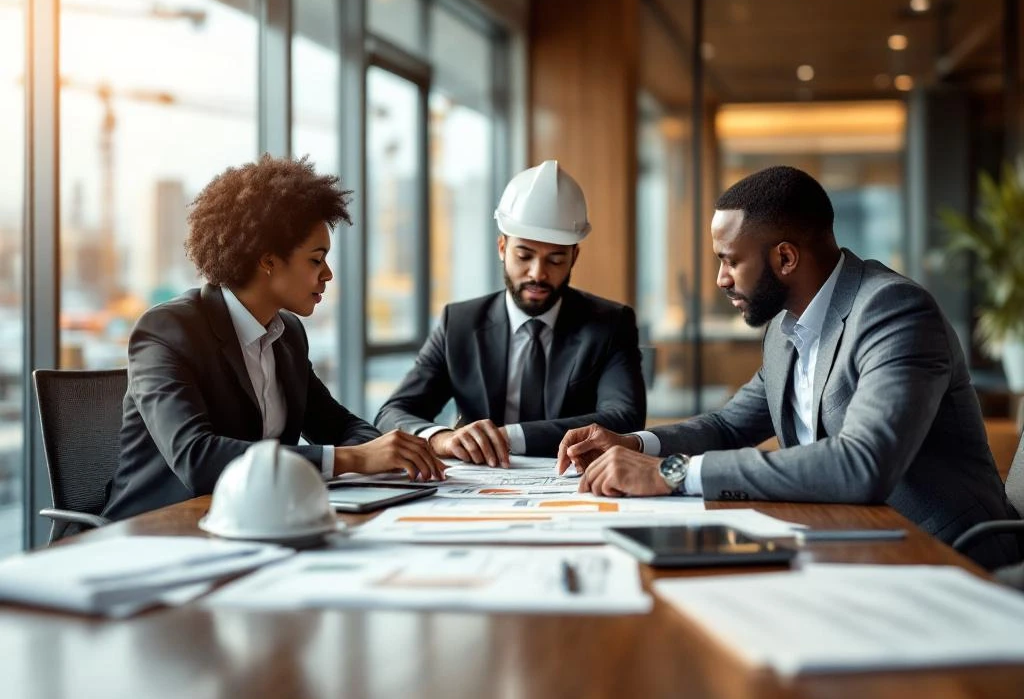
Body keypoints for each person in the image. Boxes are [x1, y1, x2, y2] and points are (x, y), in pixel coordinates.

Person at [557, 165, 1022, 570]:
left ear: (785, 257)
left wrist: (671, 472)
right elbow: (727, 425)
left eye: (729, 261)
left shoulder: (894, 311)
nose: (720, 279)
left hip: (947, 559)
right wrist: (635, 443)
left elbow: (862, 464)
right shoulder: (785, 330)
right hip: (849, 546)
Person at [104, 155, 445, 521]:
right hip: (159, 529)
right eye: (316, 260)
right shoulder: (169, 330)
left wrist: (392, 451)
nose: (328, 274)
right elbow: (196, 458)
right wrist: (355, 459)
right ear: (268, 261)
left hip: (257, 522)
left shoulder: (287, 334)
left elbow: (337, 424)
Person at [375, 159, 646, 465]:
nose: (538, 274)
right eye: (524, 256)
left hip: (573, 481)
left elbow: (624, 418)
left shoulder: (610, 324)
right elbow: (392, 413)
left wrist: (507, 437)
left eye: (555, 260)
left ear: (575, 256)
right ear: (502, 247)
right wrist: (442, 437)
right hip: (481, 487)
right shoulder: (459, 323)